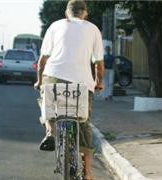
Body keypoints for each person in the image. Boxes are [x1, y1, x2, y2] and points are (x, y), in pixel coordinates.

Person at [34, 1, 104, 179]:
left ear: (66, 14)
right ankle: (87, 172)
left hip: (53, 77)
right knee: (83, 123)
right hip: (82, 84)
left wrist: (39, 81)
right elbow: (99, 64)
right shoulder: (93, 29)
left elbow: (43, 61)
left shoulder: (55, 26)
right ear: (85, 14)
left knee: (46, 102)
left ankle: (50, 131)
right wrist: (98, 82)